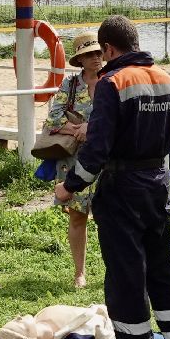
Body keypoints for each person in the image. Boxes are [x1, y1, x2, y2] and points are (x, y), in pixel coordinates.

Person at [56, 15, 170, 339]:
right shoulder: (166, 79)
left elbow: (97, 149)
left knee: (126, 278)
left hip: (121, 189)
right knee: (163, 272)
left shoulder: (112, 83)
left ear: (108, 48)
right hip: (158, 184)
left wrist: (69, 187)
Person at [46, 32, 104, 290]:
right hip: (74, 161)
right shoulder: (70, 85)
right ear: (80, 59)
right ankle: (79, 272)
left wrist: (91, 128)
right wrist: (78, 130)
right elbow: (53, 119)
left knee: (108, 216)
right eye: (89, 54)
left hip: (105, 160)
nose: (95, 58)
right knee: (77, 216)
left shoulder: (111, 81)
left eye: (98, 52)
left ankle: (113, 268)